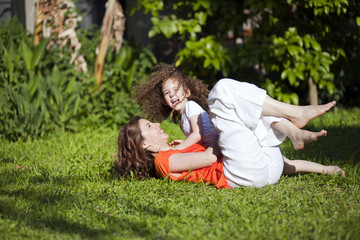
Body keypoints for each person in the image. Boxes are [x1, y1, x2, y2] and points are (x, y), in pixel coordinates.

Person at [115, 78, 345, 188]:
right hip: (242, 175)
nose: (155, 125)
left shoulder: (172, 152)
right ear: (144, 145)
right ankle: (294, 119)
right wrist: (217, 132)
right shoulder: (163, 162)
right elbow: (209, 157)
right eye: (148, 127)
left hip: (265, 170)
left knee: (244, 106)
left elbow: (285, 163)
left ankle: (294, 129)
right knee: (222, 91)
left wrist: (326, 169)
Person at [135, 63, 219, 150]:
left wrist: (176, 149)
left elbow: (198, 134)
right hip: (212, 148)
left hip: (220, 143)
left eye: (176, 89)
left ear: (187, 92)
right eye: (167, 93)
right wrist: (185, 142)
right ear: (164, 101)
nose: (172, 94)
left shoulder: (190, 106)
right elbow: (200, 139)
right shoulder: (182, 120)